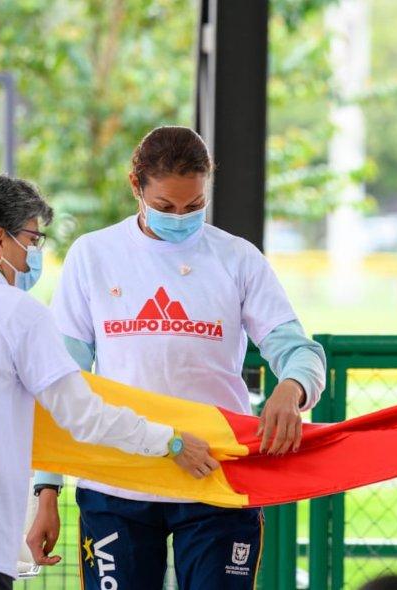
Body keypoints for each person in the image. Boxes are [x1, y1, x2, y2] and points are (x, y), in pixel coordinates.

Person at [0, 171, 216, 590]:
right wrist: (170, 441)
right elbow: (83, 415)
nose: (33, 254)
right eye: (32, 240)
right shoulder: (18, 312)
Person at [29, 126, 327, 589]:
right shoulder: (93, 256)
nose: (181, 218)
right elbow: (61, 380)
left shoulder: (238, 258)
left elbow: (300, 351)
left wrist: (293, 387)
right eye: (166, 207)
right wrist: (46, 490)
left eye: (194, 207)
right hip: (116, 480)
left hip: (216, 477)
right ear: (136, 186)